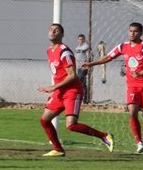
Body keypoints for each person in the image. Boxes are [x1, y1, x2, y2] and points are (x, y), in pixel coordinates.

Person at [38, 23, 114, 157]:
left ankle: (104, 136)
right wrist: (56, 89)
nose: (53, 32)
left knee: (71, 125)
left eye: (56, 30)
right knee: (44, 120)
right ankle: (58, 149)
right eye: (51, 29)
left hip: (72, 91)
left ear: (62, 34)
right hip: (60, 92)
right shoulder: (49, 50)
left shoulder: (64, 52)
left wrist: (53, 87)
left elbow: (72, 75)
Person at [82, 22, 143, 154]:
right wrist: (91, 63)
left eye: (135, 31)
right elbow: (108, 57)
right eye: (130, 31)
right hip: (132, 86)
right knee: (132, 112)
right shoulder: (123, 46)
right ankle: (139, 142)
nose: (132, 33)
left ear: (140, 33)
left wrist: (141, 73)